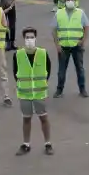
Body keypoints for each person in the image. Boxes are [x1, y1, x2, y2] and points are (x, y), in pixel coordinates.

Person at [14, 27, 53, 155]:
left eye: (31, 37)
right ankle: (26, 144)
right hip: (24, 93)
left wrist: (42, 83)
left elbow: (48, 69)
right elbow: (15, 72)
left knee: (44, 118)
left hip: (39, 93)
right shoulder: (18, 54)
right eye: (27, 38)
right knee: (26, 119)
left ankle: (48, 143)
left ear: (35, 39)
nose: (29, 40)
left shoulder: (43, 53)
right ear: (23, 39)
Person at [52, 0, 89, 98]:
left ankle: (82, 89)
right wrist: (57, 45)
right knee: (61, 70)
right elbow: (54, 30)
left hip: (76, 46)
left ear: (75, 1)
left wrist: (83, 40)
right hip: (63, 46)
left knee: (80, 68)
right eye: (68, 0)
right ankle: (59, 90)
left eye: (72, 0)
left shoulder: (80, 13)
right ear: (65, 2)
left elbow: (87, 26)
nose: (70, 2)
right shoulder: (59, 13)